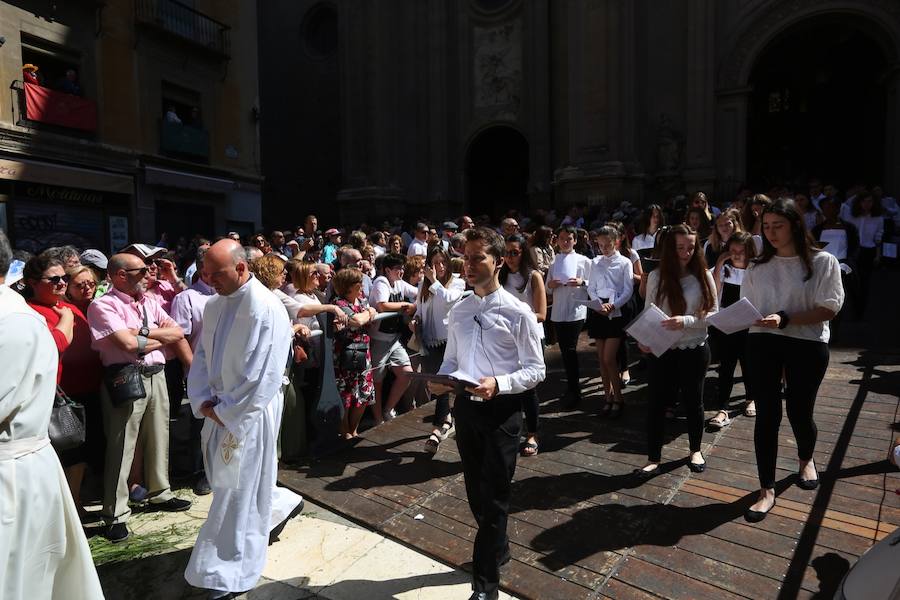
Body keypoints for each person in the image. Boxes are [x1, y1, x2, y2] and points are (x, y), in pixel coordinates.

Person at [429, 227, 545, 600]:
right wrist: (440, 382)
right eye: (466, 257)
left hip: (502, 414)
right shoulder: (459, 308)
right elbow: (451, 359)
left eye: (479, 257)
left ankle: (485, 587)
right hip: (466, 411)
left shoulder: (518, 312)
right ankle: (498, 548)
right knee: (476, 494)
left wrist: (500, 383)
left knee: (494, 498)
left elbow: (536, 370)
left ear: (498, 262)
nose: (470, 264)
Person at [184, 240, 303, 598]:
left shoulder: (266, 307)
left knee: (236, 488)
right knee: (232, 482)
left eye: (215, 273)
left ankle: (226, 570)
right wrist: (203, 398)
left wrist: (225, 411)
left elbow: (263, 373)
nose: (208, 280)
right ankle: (279, 504)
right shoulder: (215, 304)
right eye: (204, 273)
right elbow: (203, 356)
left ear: (240, 268)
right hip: (219, 406)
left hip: (249, 412)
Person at [0, 232, 105, 600]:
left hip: (24, 454)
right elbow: (55, 343)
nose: (63, 285)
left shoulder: (14, 317)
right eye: (55, 280)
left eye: (65, 279)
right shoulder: (30, 315)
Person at [741, 199, 844, 523]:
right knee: (767, 415)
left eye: (778, 226)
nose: (770, 232)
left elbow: (829, 308)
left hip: (806, 343)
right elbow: (749, 307)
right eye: (766, 226)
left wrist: (786, 318)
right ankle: (766, 489)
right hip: (763, 341)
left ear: (796, 225)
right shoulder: (757, 266)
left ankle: (805, 459)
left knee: (800, 411)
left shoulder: (823, 261)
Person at [87, 253, 192, 543]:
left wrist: (142, 334)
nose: (150, 274)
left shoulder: (149, 301)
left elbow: (178, 330)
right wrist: (153, 338)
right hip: (125, 377)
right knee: (122, 446)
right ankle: (115, 513)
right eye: (143, 270)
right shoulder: (103, 305)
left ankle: (160, 492)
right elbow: (126, 343)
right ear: (120, 275)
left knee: (160, 435)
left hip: (156, 373)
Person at [635, 224, 718, 479]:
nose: (686, 252)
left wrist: (687, 321)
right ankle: (653, 458)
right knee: (657, 403)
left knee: (694, 400)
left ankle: (695, 450)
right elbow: (649, 311)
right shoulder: (658, 276)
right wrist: (643, 340)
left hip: (693, 347)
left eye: (691, 247)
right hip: (662, 347)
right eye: (680, 247)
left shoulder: (704, 274)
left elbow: (714, 313)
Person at [169, 247, 217, 495]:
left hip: (227, 371)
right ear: (202, 271)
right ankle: (200, 471)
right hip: (202, 371)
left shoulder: (227, 295)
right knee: (200, 422)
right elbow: (180, 338)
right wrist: (195, 370)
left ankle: (219, 468)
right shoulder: (186, 299)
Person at [412, 246, 467, 453]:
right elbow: (419, 307)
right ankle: (447, 419)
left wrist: (434, 281)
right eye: (435, 263)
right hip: (428, 341)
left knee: (444, 382)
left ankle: (437, 430)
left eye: (443, 262)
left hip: (448, 341)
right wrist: (416, 319)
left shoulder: (458, 283)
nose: (439, 267)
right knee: (435, 383)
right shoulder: (423, 285)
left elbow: (447, 301)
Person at [499, 234, 547, 456]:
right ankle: (512, 430)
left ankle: (533, 433)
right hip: (507, 339)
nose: (509, 257)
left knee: (528, 389)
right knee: (508, 387)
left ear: (523, 253)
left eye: (514, 252)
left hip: (530, 337)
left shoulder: (533, 276)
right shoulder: (501, 276)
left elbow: (542, 314)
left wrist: (516, 320)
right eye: (506, 252)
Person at [709, 232, 757, 428]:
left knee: (749, 364)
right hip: (728, 324)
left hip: (749, 324)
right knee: (726, 366)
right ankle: (723, 408)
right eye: (733, 251)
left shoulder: (755, 270)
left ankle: (750, 398)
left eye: (741, 251)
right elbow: (715, 291)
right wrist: (720, 264)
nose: (736, 255)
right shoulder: (724, 269)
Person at [586, 226, 633, 419]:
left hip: (616, 311)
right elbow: (591, 287)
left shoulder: (625, 262)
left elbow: (628, 290)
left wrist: (613, 306)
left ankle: (619, 397)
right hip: (599, 310)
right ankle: (608, 397)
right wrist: (598, 304)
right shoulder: (595, 262)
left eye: (608, 245)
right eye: (600, 245)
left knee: (609, 358)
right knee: (602, 360)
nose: (604, 249)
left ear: (617, 242)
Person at [369, 253, 418, 424]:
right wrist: (408, 306)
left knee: (407, 374)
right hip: (379, 340)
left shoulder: (399, 283)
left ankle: (388, 409)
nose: (401, 271)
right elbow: (382, 305)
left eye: (402, 268)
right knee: (377, 382)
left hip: (394, 339)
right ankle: (377, 419)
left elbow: (418, 293)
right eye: (398, 268)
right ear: (387, 270)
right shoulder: (380, 282)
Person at [546, 225, 591, 408]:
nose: (565, 242)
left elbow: (593, 284)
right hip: (558, 311)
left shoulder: (583, 261)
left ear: (575, 240)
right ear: (557, 240)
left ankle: (574, 389)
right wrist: (552, 284)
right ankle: (572, 387)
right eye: (562, 239)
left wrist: (582, 282)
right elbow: (547, 287)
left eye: (569, 239)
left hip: (576, 310)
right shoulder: (554, 262)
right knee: (565, 350)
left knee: (571, 350)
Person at [332, 268, 378, 438]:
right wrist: (369, 313)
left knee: (364, 392)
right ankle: (345, 431)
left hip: (363, 353)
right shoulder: (338, 304)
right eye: (358, 284)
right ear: (348, 287)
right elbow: (358, 321)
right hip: (345, 354)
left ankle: (354, 428)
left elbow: (369, 317)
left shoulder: (361, 301)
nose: (362, 287)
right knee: (345, 393)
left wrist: (368, 313)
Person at [844, 190, 884, 316]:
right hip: (854, 251)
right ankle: (855, 304)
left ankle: (860, 309)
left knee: (865, 281)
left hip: (868, 251)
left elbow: (878, 237)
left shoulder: (878, 218)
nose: (867, 204)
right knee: (852, 280)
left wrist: (878, 255)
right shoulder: (852, 216)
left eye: (870, 201)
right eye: (864, 201)